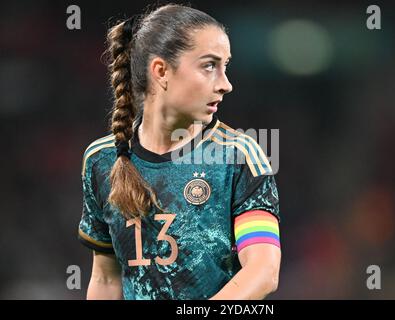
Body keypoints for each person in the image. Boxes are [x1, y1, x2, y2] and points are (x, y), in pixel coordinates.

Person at [78, 3, 281, 300]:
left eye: (225, 66)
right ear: (161, 71)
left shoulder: (238, 155)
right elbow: (106, 278)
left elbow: (263, 271)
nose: (226, 84)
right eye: (209, 65)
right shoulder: (101, 161)